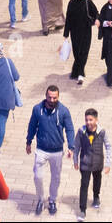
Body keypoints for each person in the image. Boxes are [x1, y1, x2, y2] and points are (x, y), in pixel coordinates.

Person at [25, 85, 76, 216]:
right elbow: (32, 125)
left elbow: (70, 129)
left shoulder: (64, 111)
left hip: (57, 151)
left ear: (58, 97)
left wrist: (71, 146)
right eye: (49, 97)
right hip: (41, 150)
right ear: (45, 96)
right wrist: (28, 141)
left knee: (56, 178)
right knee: (37, 176)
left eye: (55, 97)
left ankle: (52, 200)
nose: (52, 100)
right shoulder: (37, 109)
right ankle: (40, 200)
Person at [73, 108, 112, 220]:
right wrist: (75, 161)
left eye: (91, 120)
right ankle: (82, 210)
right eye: (86, 120)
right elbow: (76, 147)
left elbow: (109, 147)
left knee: (97, 181)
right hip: (85, 164)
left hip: (98, 163)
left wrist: (108, 163)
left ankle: (96, 196)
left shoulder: (102, 132)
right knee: (84, 185)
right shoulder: (81, 131)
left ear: (96, 120)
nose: (88, 122)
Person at [63, 0, 99, 84]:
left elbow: (96, 12)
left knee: (84, 52)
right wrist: (66, 33)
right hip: (74, 33)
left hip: (86, 32)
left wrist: (96, 20)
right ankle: (76, 71)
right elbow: (68, 19)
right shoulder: (71, 3)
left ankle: (80, 74)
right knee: (77, 53)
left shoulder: (88, 2)